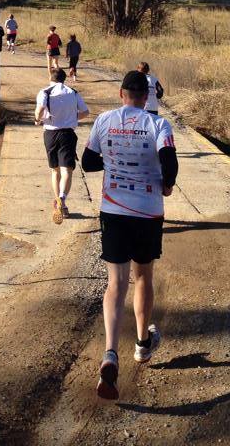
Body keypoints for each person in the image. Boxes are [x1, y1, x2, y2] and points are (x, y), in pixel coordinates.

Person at [82, 70, 178, 401]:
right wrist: (167, 184)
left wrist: (113, 162)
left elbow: (87, 161)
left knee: (116, 283)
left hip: (113, 211)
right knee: (143, 277)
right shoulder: (158, 124)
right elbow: (169, 162)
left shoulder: (105, 120)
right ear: (146, 97)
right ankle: (141, 344)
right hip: (147, 213)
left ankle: (110, 353)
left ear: (121, 94)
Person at [34, 69, 89, 224]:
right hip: (68, 134)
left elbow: (40, 110)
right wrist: (72, 117)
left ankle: (58, 200)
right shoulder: (73, 92)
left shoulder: (45, 92)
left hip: (50, 134)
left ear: (50, 77)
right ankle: (62, 200)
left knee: (55, 170)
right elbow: (85, 112)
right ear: (64, 79)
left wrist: (38, 119)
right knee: (67, 171)